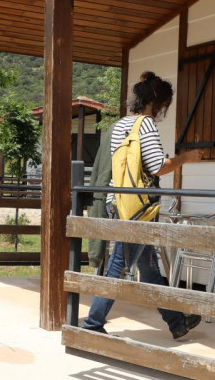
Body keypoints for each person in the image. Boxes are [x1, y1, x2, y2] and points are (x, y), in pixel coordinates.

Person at [81, 71, 203, 338]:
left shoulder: (120, 126)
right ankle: (92, 325)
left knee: (148, 268)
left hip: (120, 203)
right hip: (138, 209)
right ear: (156, 102)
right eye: (164, 106)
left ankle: (176, 322)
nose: (163, 112)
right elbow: (158, 166)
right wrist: (186, 158)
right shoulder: (145, 125)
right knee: (119, 266)